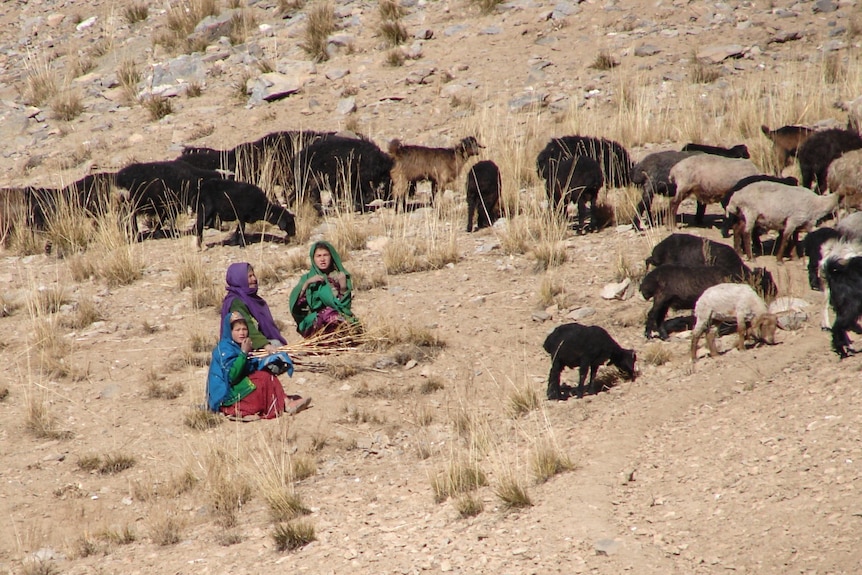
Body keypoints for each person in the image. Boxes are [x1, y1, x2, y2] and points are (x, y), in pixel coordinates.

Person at [206, 311, 311, 419]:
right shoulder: (224, 349)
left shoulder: (240, 345)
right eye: (237, 330)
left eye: (244, 329)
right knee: (263, 379)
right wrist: (243, 353)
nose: (242, 333)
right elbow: (232, 376)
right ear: (230, 331)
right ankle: (240, 410)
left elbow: (249, 368)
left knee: (266, 374)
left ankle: (286, 402)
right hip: (224, 396)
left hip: (237, 385)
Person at [289, 241, 359, 338]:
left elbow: (345, 307)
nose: (322, 259)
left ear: (331, 257)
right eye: (318, 256)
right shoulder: (307, 278)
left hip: (337, 317)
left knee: (345, 321)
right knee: (328, 315)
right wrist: (307, 284)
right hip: (313, 322)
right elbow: (297, 307)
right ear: (313, 259)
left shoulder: (340, 276)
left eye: (325, 255)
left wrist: (343, 288)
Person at [221, 262, 286, 354]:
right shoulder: (236, 302)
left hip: (256, 343)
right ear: (240, 279)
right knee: (277, 347)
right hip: (243, 347)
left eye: (253, 275)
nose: (254, 279)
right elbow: (247, 325)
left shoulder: (251, 299)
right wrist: (265, 345)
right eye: (249, 276)